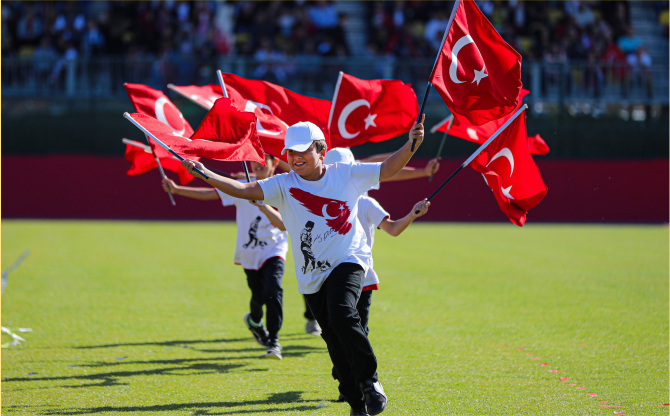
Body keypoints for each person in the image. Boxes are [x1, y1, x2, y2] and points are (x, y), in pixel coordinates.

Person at [181, 117, 425, 416]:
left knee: (342, 313)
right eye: (290, 152)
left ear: (321, 150)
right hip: (311, 276)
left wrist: (411, 145)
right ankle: (356, 403)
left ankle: (371, 381)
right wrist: (206, 173)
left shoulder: (346, 173)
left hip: (348, 261)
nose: (295, 157)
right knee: (333, 341)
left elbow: (388, 168)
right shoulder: (282, 184)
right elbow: (243, 190)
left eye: (302, 150)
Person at [321, 147, 431, 402]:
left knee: (356, 331)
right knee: (335, 334)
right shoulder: (321, 204)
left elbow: (391, 229)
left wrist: (413, 214)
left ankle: (355, 384)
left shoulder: (366, 203)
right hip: (328, 278)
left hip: (363, 279)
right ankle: (347, 378)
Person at [162, 154, 288, 360]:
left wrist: (262, 205)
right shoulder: (240, 186)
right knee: (258, 297)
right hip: (249, 252)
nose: (257, 163)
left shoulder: (284, 186)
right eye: (254, 160)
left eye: (264, 159)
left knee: (274, 291)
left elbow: (283, 223)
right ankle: (255, 321)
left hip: (274, 250)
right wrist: (177, 189)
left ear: (275, 164)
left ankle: (273, 341)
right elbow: (210, 193)